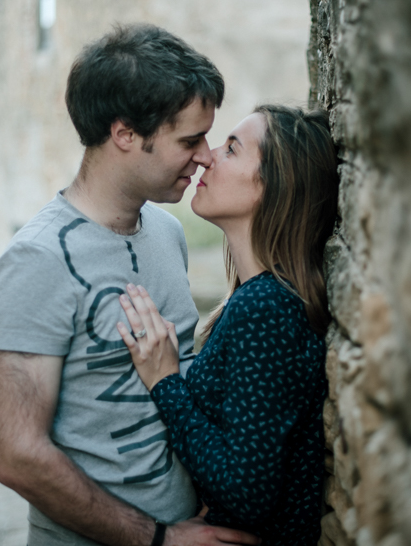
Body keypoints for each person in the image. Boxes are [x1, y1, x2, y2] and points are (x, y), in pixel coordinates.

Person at [0, 23, 261, 546]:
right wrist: (158, 539)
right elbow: (16, 454)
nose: (204, 156)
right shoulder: (36, 261)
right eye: (189, 140)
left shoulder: (167, 232)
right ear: (126, 134)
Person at [117, 105, 339, 546]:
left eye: (232, 148)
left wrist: (165, 382)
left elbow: (246, 492)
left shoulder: (267, 309)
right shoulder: (261, 297)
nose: (208, 156)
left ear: (272, 186)